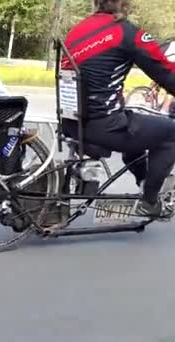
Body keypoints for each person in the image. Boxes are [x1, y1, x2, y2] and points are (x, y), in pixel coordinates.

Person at [62, 0, 175, 217]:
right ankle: (150, 202)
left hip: (73, 122)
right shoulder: (125, 32)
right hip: (104, 125)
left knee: (137, 124)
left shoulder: (77, 31)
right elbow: (165, 72)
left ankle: (143, 180)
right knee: (171, 132)